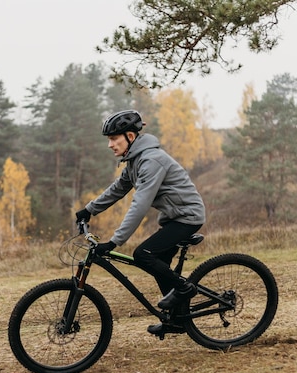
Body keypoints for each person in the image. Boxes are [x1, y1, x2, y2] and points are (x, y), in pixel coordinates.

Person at [75, 109, 206, 336]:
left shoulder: (152, 161)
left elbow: (140, 205)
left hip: (187, 218)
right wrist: (89, 209)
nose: (110, 145)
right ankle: (175, 321)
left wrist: (114, 242)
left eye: (114, 139)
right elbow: (118, 189)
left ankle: (185, 289)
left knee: (143, 254)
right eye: (109, 140)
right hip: (174, 218)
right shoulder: (135, 161)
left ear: (130, 137)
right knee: (159, 265)